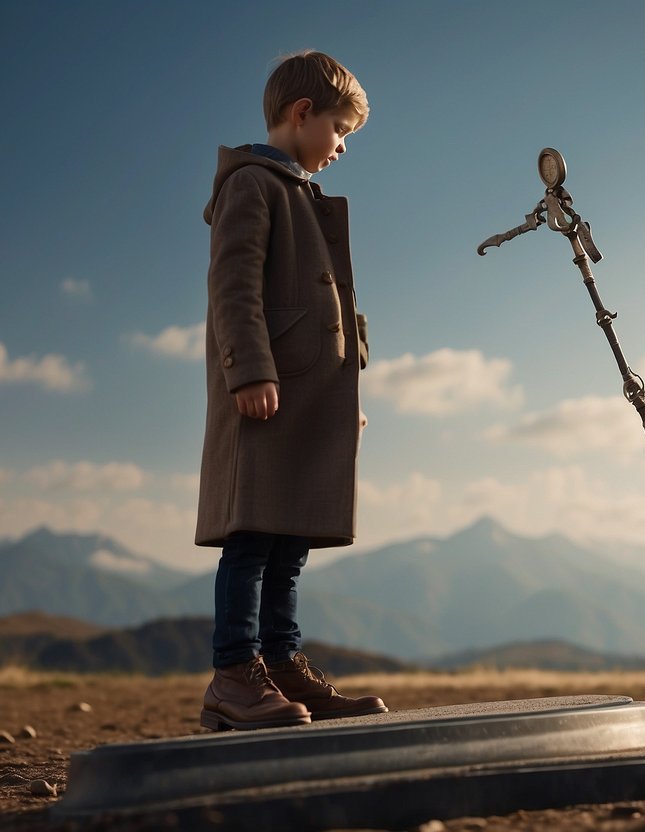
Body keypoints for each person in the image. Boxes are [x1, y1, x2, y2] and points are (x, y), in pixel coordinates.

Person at [196, 50, 386, 731]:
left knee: (288, 540)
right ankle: (233, 675)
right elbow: (234, 286)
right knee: (250, 536)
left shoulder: (299, 193)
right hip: (265, 390)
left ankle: (280, 668)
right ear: (302, 113)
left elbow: (336, 309)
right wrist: (248, 370)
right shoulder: (253, 185)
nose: (340, 147)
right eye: (339, 130)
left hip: (308, 397)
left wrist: (346, 400)